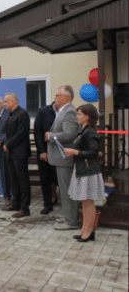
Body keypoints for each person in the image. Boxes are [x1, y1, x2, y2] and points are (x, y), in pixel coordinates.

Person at [64, 104, 104, 242]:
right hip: (82, 169)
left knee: (88, 202)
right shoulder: (84, 130)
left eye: (79, 114)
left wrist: (74, 152)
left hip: (89, 171)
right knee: (84, 201)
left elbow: (94, 152)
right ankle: (85, 228)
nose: (77, 117)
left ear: (87, 116)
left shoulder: (90, 131)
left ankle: (89, 230)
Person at [46, 85, 79, 230]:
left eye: (57, 95)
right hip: (60, 157)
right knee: (64, 189)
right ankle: (68, 216)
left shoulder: (70, 112)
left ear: (65, 97)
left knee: (67, 190)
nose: (55, 98)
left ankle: (72, 221)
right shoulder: (63, 111)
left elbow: (69, 134)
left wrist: (51, 136)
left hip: (65, 157)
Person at [2, 93, 31, 218]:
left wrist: (8, 144)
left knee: (22, 181)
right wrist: (6, 144)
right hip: (11, 153)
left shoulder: (22, 114)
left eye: (6, 101)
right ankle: (16, 203)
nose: (4, 103)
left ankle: (25, 208)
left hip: (19, 153)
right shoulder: (10, 114)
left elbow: (21, 134)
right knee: (13, 180)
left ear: (13, 100)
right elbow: (8, 132)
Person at [34, 102, 59, 215]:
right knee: (45, 178)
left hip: (61, 151)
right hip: (45, 151)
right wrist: (42, 151)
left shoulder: (66, 112)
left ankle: (64, 204)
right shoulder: (43, 111)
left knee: (58, 178)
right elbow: (37, 132)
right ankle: (47, 204)